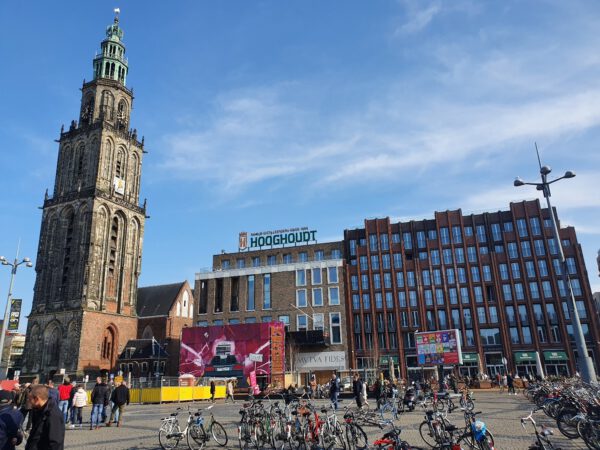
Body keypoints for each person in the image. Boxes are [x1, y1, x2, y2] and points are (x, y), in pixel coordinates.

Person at [25, 384, 64, 450]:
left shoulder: (53, 415)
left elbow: (55, 443)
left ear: (37, 399)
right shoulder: (38, 409)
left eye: (29, 399)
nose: (28, 401)